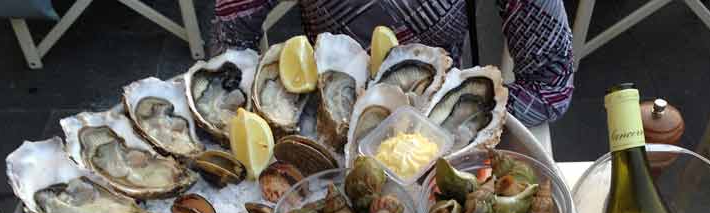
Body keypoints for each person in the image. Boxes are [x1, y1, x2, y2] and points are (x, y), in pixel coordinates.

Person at [210, 0, 573, 127]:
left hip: (438, 134)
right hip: (324, 127)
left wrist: (463, 119)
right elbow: (228, 53)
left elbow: (550, 89)